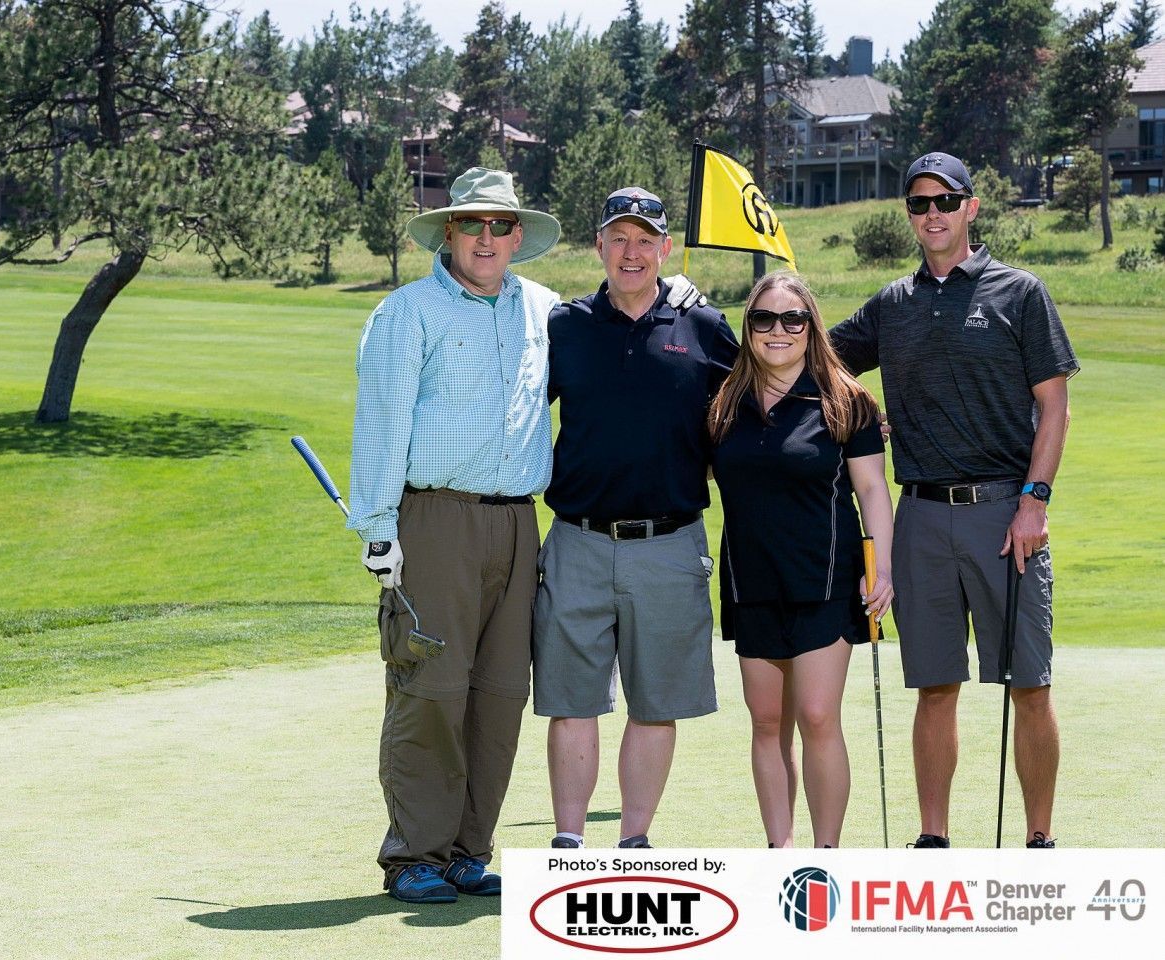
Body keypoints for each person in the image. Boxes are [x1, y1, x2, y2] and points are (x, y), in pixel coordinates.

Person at [830, 152, 1078, 849]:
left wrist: (1034, 500)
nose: (931, 214)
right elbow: (813, 356)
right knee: (934, 685)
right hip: (920, 517)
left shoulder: (1018, 292)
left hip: (1006, 514)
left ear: (971, 207)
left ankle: (1037, 839)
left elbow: (1053, 408)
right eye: (918, 204)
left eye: (944, 201)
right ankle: (932, 839)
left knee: (1028, 683)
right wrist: (858, 400)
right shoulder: (892, 305)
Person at [347, 167, 561, 904]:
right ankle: (414, 855)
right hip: (433, 520)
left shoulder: (542, 309)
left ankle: (469, 851)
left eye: (501, 226)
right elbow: (380, 422)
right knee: (430, 690)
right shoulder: (406, 313)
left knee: (500, 693)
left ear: (516, 237)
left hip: (516, 524)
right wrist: (378, 529)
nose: (487, 238)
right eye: (473, 224)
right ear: (448, 232)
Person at [533, 188, 736, 851]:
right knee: (571, 699)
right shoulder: (565, 326)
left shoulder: (702, 326)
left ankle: (633, 841)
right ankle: (568, 841)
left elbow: (754, 405)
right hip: (577, 541)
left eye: (644, 240)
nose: (631, 253)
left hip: (669, 542)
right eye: (618, 239)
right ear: (598, 246)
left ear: (664, 249)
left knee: (656, 704)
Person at [709, 272, 894, 848]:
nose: (779, 331)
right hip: (752, 583)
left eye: (793, 319)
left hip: (826, 582)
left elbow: (873, 493)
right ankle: (779, 852)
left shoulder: (847, 401)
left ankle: (826, 856)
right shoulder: (724, 403)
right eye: (764, 319)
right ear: (749, 328)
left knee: (817, 716)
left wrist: (882, 568)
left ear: (812, 326)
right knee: (767, 725)